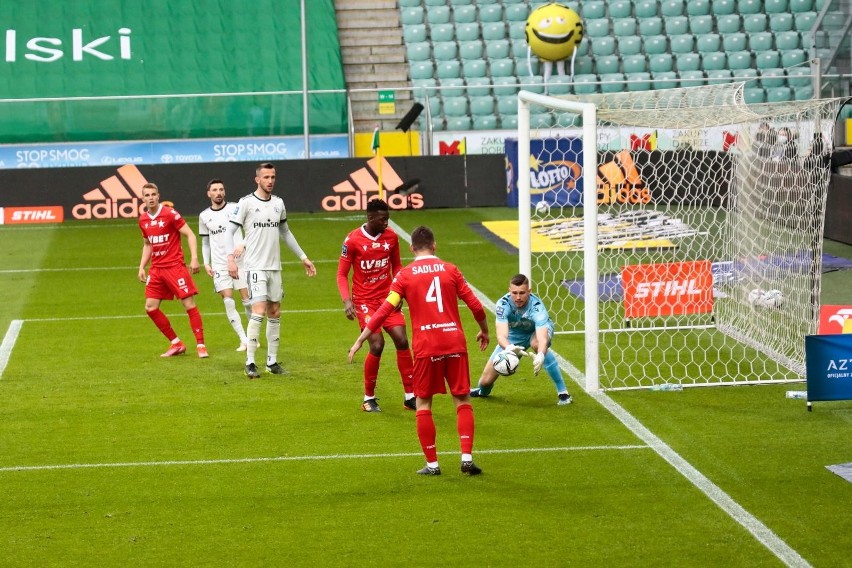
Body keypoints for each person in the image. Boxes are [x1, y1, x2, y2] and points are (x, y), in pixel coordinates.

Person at [349, 226, 490, 476]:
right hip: (455, 343)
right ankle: (467, 457)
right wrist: (484, 330)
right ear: (435, 245)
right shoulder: (451, 270)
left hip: (427, 347)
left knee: (423, 403)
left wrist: (362, 338)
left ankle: (433, 464)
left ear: (412, 248)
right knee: (462, 399)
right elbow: (476, 306)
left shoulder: (405, 275)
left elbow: (384, 310)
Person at [225, 163, 317, 378]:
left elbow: (286, 232)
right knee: (258, 310)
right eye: (266, 177)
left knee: (274, 311)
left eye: (273, 176)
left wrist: (304, 257)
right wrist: (231, 259)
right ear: (257, 179)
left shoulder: (278, 203)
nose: (270, 180)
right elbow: (230, 232)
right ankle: (250, 362)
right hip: (255, 266)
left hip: (275, 267)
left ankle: (272, 362)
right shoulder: (246, 203)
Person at [337, 199, 416, 412]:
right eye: (383, 219)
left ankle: (410, 396)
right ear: (370, 218)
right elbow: (342, 274)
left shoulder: (391, 237)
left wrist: (398, 292)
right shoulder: (352, 240)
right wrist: (347, 301)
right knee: (377, 344)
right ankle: (368, 398)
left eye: (388, 219)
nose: (386, 223)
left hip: (387, 299)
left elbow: (397, 265)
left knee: (401, 340)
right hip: (364, 303)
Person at [470, 273, 573, 406]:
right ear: (509, 291)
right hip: (514, 336)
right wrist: (509, 348)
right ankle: (482, 392)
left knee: (536, 344)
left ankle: (563, 393)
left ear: (529, 292)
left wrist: (541, 354)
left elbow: (542, 339)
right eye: (515, 293)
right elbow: (501, 335)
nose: (518, 297)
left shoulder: (537, 308)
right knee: (485, 382)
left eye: (522, 293)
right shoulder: (503, 305)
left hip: (534, 332)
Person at [137, 182, 208, 358]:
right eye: (147, 195)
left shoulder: (170, 214)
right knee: (150, 307)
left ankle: (200, 345)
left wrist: (194, 258)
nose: (151, 198)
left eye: (153, 194)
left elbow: (190, 234)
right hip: (156, 269)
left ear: (158, 195)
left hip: (175, 267)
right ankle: (176, 343)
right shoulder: (143, 220)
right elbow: (147, 244)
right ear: (143, 198)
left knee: (188, 304)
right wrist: (141, 266)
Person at [199, 178, 250, 351]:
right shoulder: (204, 216)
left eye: (221, 189)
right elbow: (205, 242)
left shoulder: (235, 208)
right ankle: (244, 340)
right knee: (228, 301)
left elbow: (250, 230)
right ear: (209, 193)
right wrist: (206, 262)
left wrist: (243, 244)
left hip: (241, 261)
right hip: (220, 265)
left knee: (248, 301)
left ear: (224, 192)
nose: (218, 192)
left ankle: (253, 336)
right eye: (214, 190)